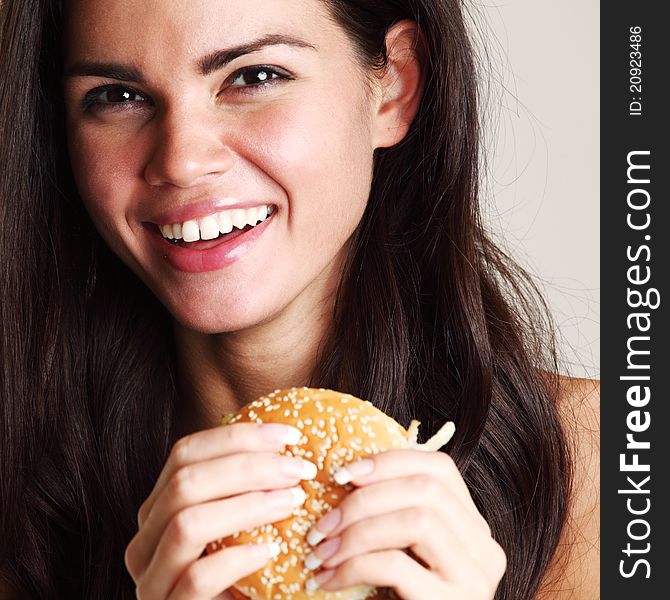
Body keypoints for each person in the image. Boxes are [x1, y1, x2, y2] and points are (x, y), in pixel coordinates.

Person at [0, 0, 599, 598]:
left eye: (254, 77)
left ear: (393, 87)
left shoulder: (609, 465)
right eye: (117, 96)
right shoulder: (20, 508)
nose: (181, 162)